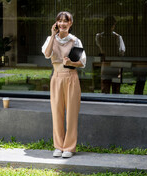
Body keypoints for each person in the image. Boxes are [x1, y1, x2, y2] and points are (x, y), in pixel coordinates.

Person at [42, 11, 86, 158]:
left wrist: (71, 63)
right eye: (59, 21)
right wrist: (52, 35)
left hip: (71, 77)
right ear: (56, 23)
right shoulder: (50, 38)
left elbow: (82, 63)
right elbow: (47, 54)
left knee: (72, 114)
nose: (62, 24)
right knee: (57, 113)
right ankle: (58, 146)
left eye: (65, 21)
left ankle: (69, 147)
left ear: (70, 23)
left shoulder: (75, 41)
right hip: (56, 78)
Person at [96, 16, 125, 94]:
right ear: (113, 25)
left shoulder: (98, 37)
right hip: (115, 65)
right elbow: (122, 51)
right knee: (115, 87)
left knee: (105, 87)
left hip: (105, 64)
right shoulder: (118, 37)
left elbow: (98, 49)